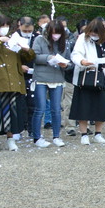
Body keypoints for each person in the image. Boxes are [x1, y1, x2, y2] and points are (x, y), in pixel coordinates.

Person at [0, 15, 35, 152]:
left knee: (12, 112)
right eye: (2, 26)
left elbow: (26, 58)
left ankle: (10, 138)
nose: (5, 28)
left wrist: (26, 49)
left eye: (7, 26)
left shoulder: (13, 37)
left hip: (12, 80)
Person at [69, 18, 105, 144]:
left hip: (103, 75)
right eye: (92, 33)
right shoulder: (83, 38)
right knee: (83, 106)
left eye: (97, 34)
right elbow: (75, 54)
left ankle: (98, 133)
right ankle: (84, 134)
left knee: (101, 106)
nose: (94, 36)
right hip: (86, 75)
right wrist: (82, 61)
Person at [30, 19, 72, 147]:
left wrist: (65, 65)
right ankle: (37, 137)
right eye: (53, 33)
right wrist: (49, 58)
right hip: (41, 78)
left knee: (56, 109)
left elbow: (69, 61)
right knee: (40, 108)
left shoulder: (64, 43)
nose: (56, 35)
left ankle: (56, 136)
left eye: (58, 33)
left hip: (57, 78)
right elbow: (34, 56)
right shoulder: (39, 40)